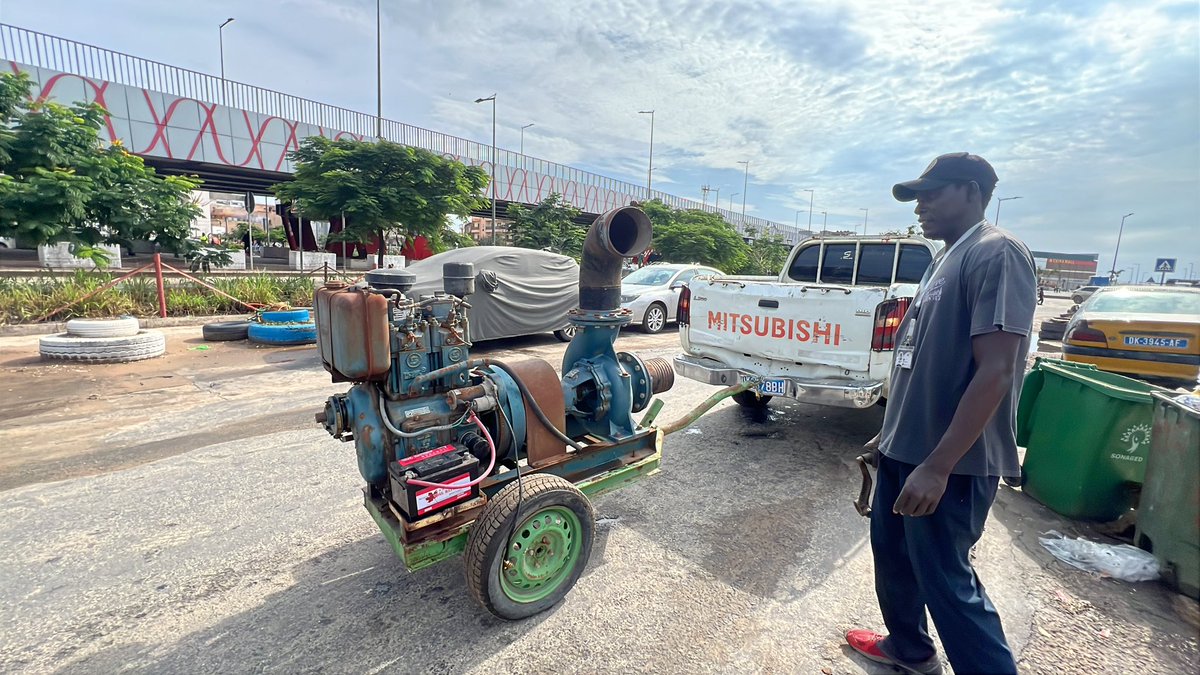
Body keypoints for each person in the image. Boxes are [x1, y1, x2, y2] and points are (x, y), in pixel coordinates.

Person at [846, 153, 1035, 675]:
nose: (920, 206)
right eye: (916, 198)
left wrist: (938, 465)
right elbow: (922, 363)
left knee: (947, 581)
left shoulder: (998, 253)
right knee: (895, 559)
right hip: (905, 448)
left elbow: (996, 370)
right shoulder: (943, 258)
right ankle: (910, 650)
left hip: (952, 461)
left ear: (972, 191)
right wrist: (889, 435)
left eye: (933, 193)